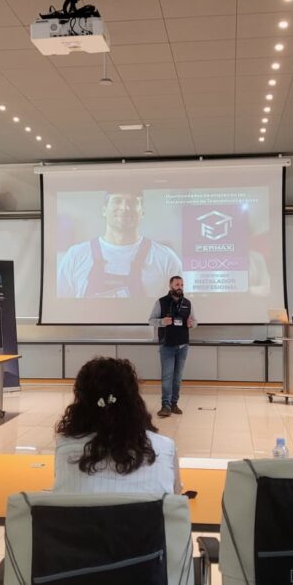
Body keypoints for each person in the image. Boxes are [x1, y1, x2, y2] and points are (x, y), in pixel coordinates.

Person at [54, 357, 181, 494]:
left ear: (80, 403)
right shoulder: (165, 448)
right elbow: (176, 495)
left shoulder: (64, 447)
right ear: (134, 401)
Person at [56, 192, 183, 298]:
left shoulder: (166, 258)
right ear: (104, 210)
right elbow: (60, 310)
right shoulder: (75, 256)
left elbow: (180, 309)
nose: (124, 208)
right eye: (117, 201)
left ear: (142, 212)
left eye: (132, 202)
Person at [148, 276, 196, 418]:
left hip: (183, 345)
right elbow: (151, 320)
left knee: (178, 377)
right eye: (177, 284)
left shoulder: (187, 303)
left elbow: (195, 321)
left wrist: (192, 324)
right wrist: (162, 322)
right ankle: (165, 406)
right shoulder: (161, 302)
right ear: (170, 286)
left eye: (181, 284)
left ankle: (174, 404)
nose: (179, 287)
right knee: (167, 376)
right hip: (167, 345)